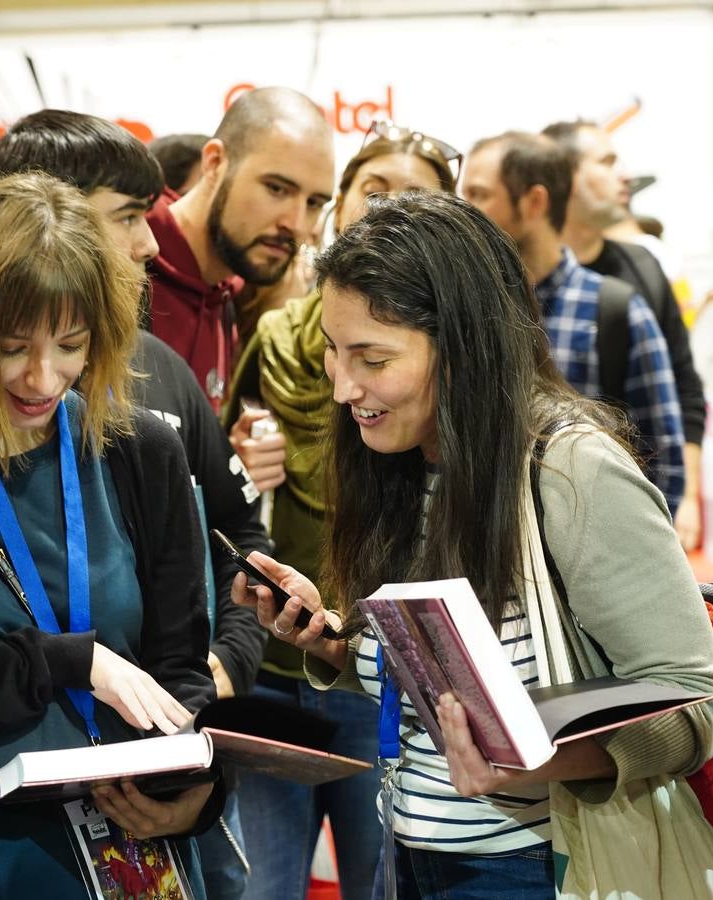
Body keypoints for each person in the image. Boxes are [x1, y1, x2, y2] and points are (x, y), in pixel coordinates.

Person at [233, 192, 713, 898]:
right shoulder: (399, 466)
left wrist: (536, 760)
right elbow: (442, 690)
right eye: (333, 355)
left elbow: (695, 706)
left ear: (463, 343)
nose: (345, 388)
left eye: (372, 359)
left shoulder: (568, 471)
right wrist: (336, 646)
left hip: (539, 870)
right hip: (403, 856)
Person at [0, 171, 221, 897]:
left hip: (133, 854)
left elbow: (180, 667)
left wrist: (198, 791)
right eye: (11, 346)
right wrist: (64, 661)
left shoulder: (136, 450)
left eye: (72, 343)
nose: (43, 376)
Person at [223, 121, 461, 900]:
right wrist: (244, 453)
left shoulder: (447, 379)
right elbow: (231, 460)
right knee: (265, 884)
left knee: (381, 879)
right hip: (274, 661)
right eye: (374, 191)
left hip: (379, 667)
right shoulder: (274, 333)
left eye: (416, 199)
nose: (348, 388)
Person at [461, 131, 685, 512]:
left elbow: (662, 463)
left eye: (479, 195)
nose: (464, 210)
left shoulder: (615, 310)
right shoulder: (467, 308)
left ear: (534, 202)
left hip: (593, 553)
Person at [543, 119, 706, 548]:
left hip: (630, 516)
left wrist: (686, 495)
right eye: (607, 161)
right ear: (564, 176)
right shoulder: (521, 280)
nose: (625, 175)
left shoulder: (644, 269)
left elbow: (684, 386)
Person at [146, 87, 335, 410]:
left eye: (314, 203)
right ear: (215, 162)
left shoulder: (226, 299)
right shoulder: (120, 265)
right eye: (276, 188)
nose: (296, 223)